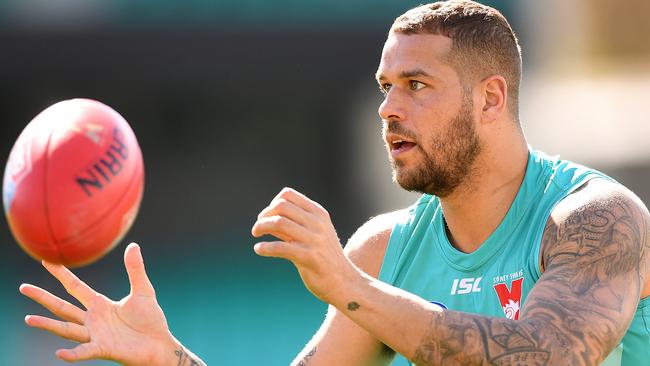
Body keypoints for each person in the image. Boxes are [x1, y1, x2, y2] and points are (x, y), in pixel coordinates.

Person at [19, 1, 650, 365]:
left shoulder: (595, 218)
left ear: (490, 99)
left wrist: (354, 291)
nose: (388, 108)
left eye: (417, 86)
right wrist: (168, 358)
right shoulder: (384, 252)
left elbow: (548, 356)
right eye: (385, 87)